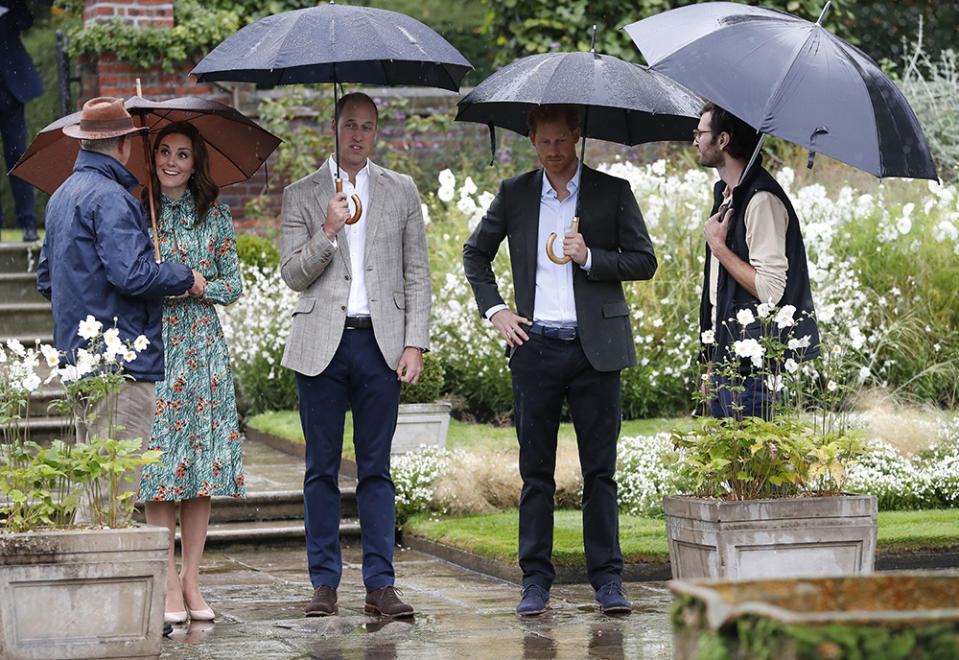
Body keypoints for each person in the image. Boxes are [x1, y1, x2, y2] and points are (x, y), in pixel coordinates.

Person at [462, 104, 657, 616]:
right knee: (536, 474)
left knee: (601, 471)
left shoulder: (613, 193)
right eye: (543, 142)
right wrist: (498, 310)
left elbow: (644, 260)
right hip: (535, 348)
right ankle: (535, 582)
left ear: (577, 137)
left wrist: (590, 256)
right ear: (531, 140)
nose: (552, 151)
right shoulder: (515, 194)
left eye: (561, 141)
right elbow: (474, 254)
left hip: (597, 352)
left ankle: (608, 582)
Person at [280, 92, 430, 619]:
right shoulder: (302, 193)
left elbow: (417, 273)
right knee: (320, 469)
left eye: (367, 126)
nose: (358, 135)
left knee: (376, 469)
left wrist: (414, 341)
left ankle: (380, 585)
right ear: (334, 127)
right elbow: (293, 275)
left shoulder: (401, 190)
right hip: (321, 343)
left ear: (376, 132)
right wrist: (327, 230)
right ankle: (323, 584)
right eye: (349, 125)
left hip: (381, 344)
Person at [36, 97, 203, 519]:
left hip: (79, 360)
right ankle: (100, 588)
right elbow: (132, 275)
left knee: (95, 487)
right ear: (123, 145)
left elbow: (45, 281)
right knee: (113, 495)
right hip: (121, 364)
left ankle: (81, 585)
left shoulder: (60, 197)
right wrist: (183, 275)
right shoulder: (112, 199)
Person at [136, 121, 246, 625]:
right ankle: (165, 579)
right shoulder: (139, 212)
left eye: (182, 153)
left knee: (198, 469)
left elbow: (234, 284)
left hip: (201, 350)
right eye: (164, 151)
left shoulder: (215, 217)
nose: (172, 161)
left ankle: (191, 579)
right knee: (160, 469)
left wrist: (199, 284)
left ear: (195, 162)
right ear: (153, 156)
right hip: (157, 345)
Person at [694, 102, 820, 420]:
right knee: (730, 466)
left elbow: (770, 290)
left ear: (722, 140)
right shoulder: (727, 195)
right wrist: (712, 359)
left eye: (700, 132)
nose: (694, 139)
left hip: (753, 367)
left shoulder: (761, 200)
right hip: (727, 354)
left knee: (751, 467)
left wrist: (719, 247)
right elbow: (719, 291)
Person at [0, 0, 42, 241]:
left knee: (18, 154)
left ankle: (28, 222)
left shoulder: (13, 6)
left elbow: (27, 22)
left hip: (11, 93)